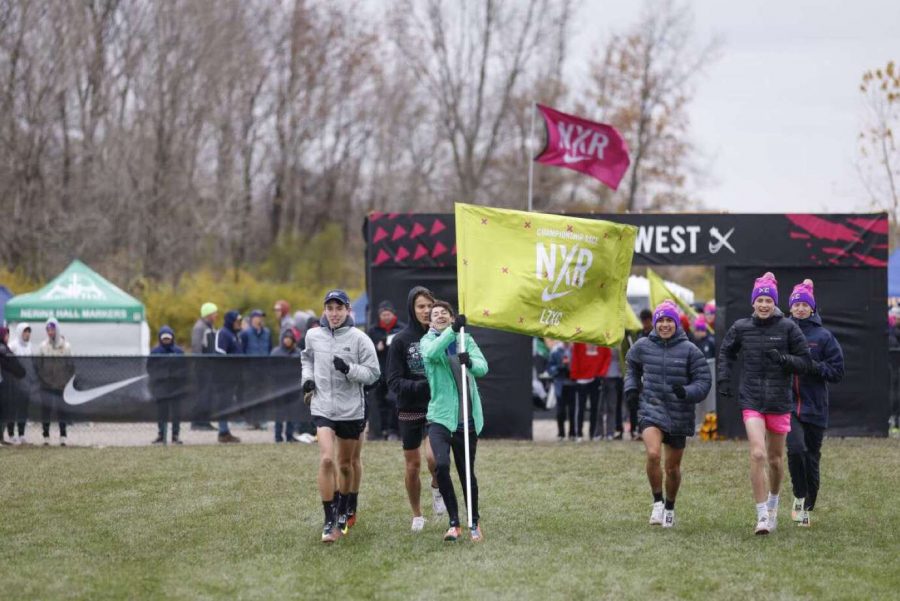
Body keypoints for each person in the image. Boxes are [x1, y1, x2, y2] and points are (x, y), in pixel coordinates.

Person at [718, 272, 811, 535]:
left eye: (768, 300)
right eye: (759, 300)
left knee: (775, 460)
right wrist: (724, 378)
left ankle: (773, 503)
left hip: (779, 402)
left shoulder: (788, 328)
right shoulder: (741, 327)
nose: (763, 305)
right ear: (753, 303)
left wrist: (783, 359)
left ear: (775, 303)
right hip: (752, 400)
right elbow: (726, 351)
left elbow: (805, 362)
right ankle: (761, 516)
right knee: (757, 453)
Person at [301, 289, 379, 543]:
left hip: (350, 410)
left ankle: (346, 506)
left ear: (347, 311)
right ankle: (329, 520)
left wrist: (349, 369)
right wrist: (308, 380)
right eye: (329, 308)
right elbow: (307, 359)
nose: (334, 314)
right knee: (326, 460)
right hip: (322, 406)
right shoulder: (313, 335)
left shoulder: (359, 339)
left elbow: (373, 374)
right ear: (324, 310)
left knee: (345, 465)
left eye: (339, 308)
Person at [625, 300, 711, 528]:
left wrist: (686, 392)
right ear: (654, 323)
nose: (664, 325)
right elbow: (631, 367)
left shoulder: (690, 350)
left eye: (669, 320)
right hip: (650, 408)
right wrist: (632, 389)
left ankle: (670, 506)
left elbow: (703, 381)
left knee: (672, 469)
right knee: (653, 454)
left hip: (678, 414)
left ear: (676, 323)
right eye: (660, 320)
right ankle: (657, 502)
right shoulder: (642, 346)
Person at [421, 303, 488, 542]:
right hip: (439, 417)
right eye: (434, 315)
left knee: (466, 472)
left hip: (467, 420)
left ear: (452, 318)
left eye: (444, 314)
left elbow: (483, 367)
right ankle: (453, 523)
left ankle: (474, 521)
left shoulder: (465, 339)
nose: (439, 316)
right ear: (430, 322)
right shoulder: (427, 342)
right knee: (440, 465)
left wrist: (469, 362)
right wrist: (451, 331)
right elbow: (432, 354)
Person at [386, 286, 446, 532]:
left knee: (435, 460)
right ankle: (417, 514)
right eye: (421, 306)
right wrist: (423, 386)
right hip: (409, 408)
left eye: (430, 307)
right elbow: (393, 381)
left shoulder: (442, 337)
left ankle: (436, 486)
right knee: (413, 466)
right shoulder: (400, 340)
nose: (426, 311)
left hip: (436, 407)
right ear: (412, 308)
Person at [785, 279, 844, 527]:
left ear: (812, 308)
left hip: (815, 407)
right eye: (796, 304)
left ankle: (808, 505)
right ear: (790, 308)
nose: (800, 308)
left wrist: (813, 366)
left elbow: (837, 372)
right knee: (796, 450)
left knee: (811, 458)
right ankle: (799, 496)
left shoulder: (824, 337)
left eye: (804, 304)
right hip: (788, 405)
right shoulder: (783, 331)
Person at [367, 300, 405, 441]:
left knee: (394, 401)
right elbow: (367, 351)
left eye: (388, 314)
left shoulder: (402, 328)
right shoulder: (373, 330)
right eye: (383, 314)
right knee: (380, 402)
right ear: (379, 315)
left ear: (393, 314)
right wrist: (377, 348)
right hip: (379, 371)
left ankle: (394, 430)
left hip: (396, 371)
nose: (386, 317)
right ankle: (383, 430)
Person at [36, 318, 74, 446]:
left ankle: (63, 436)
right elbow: (38, 364)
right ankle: (46, 436)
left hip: (61, 384)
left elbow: (70, 365)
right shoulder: (43, 346)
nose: (50, 332)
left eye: (52, 329)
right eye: (48, 330)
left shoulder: (66, 346)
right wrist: (42, 378)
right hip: (46, 384)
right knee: (46, 410)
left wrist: (66, 380)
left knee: (61, 410)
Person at [149, 326, 186, 445]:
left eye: (168, 338)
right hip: (161, 386)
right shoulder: (155, 352)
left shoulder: (178, 352)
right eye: (164, 338)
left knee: (176, 412)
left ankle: (175, 435)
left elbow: (184, 367)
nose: (166, 341)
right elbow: (150, 367)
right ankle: (161, 434)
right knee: (162, 411)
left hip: (176, 386)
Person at [213, 310, 243, 443]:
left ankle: (225, 431)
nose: (239, 324)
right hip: (224, 377)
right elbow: (220, 354)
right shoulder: (224, 333)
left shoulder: (235, 335)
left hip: (233, 376)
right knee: (223, 403)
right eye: (237, 321)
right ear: (231, 321)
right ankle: (223, 432)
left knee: (227, 403)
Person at [570, 342, 610, 441]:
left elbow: (607, 357)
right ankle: (578, 433)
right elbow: (575, 357)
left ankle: (593, 433)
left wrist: (601, 374)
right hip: (581, 379)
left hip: (596, 378)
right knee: (580, 408)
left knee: (595, 408)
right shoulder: (579, 340)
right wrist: (574, 375)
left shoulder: (601, 339)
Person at [271, 328, 302, 443]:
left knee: (292, 413)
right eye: (286, 338)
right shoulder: (276, 352)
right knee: (279, 413)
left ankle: (289, 435)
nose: (287, 341)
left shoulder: (298, 353)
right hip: (279, 387)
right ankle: (278, 436)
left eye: (289, 338)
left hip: (293, 388)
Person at [190, 302, 218, 431]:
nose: (216, 315)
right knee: (202, 394)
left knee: (208, 394)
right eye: (214, 313)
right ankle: (197, 422)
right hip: (202, 367)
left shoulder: (210, 327)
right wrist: (201, 364)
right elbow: (196, 348)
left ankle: (205, 420)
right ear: (208, 314)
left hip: (210, 367)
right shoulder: (199, 327)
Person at [6, 323, 32, 444]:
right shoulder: (13, 346)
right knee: (12, 409)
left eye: (28, 332)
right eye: (25, 331)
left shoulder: (29, 346)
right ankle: (11, 434)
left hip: (26, 383)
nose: (27, 334)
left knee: (23, 409)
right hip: (14, 383)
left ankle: (21, 434)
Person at [0, 327, 26, 446]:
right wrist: (21, 372)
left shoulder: (5, 348)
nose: (7, 337)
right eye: (6, 335)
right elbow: (13, 364)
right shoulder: (3, 349)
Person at [547, 341, 576, 441]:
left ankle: (572, 433)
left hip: (573, 384)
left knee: (572, 410)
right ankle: (561, 433)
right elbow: (550, 368)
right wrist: (559, 368)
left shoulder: (575, 349)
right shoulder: (555, 350)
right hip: (560, 384)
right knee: (560, 411)